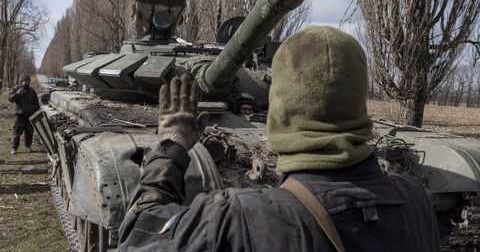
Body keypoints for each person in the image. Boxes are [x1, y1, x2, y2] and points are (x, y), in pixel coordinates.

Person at [118, 27, 440, 251]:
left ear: (278, 111)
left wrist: (171, 147)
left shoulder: (235, 218)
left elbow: (137, 237)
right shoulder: (416, 200)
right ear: (359, 103)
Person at [8, 75, 40, 154]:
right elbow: (10, 99)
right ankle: (14, 148)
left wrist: (38, 112)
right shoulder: (16, 89)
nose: (27, 83)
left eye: (28, 82)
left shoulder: (32, 91)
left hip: (30, 116)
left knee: (29, 132)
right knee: (17, 133)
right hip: (20, 116)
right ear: (21, 81)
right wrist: (18, 93)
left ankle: (27, 146)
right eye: (25, 81)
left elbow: (36, 103)